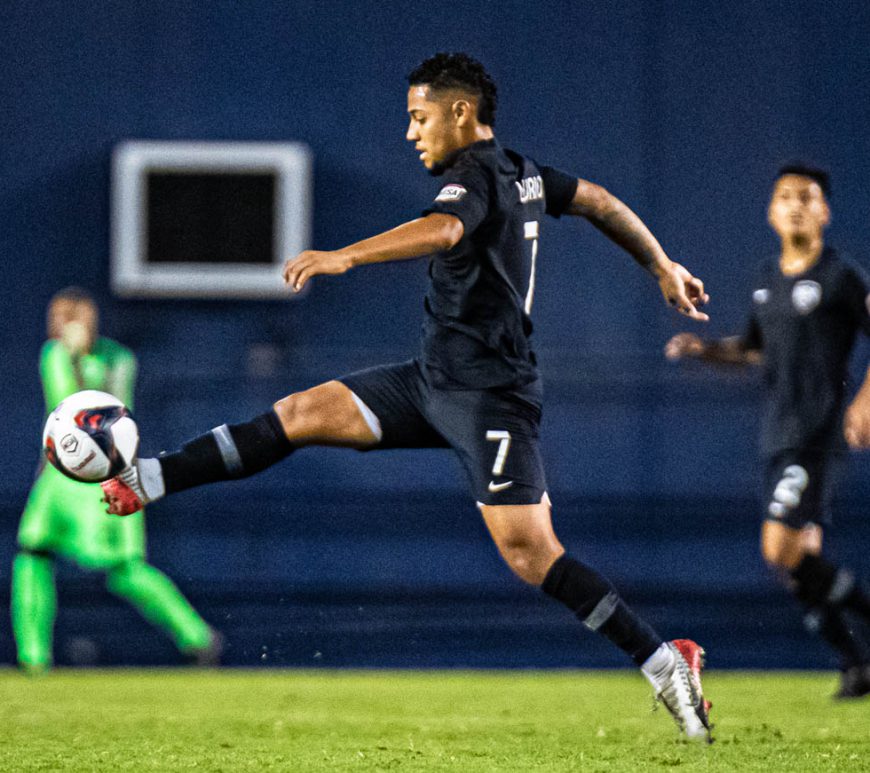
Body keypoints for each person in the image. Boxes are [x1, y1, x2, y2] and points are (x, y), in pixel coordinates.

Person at [103, 53, 712, 739]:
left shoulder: (476, 175)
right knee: (299, 413)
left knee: (530, 553)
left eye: (418, 117)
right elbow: (598, 201)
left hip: (491, 397)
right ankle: (149, 477)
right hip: (429, 381)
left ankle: (666, 662)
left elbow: (444, 230)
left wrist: (346, 256)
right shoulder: (526, 172)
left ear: (460, 112)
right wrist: (660, 262)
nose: (410, 132)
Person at [665, 164, 870, 697]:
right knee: (800, 566)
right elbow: (755, 350)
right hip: (777, 435)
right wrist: (706, 350)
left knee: (778, 549)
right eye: (785, 197)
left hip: (816, 433)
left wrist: (863, 403)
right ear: (771, 212)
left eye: (808, 197)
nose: (796, 205)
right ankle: (857, 665)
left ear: (825, 211)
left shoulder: (840, 276)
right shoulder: (766, 280)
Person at [13, 287, 221, 673]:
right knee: (32, 554)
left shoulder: (118, 358)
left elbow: (106, 416)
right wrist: (70, 357)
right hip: (57, 481)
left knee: (124, 569)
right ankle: (34, 656)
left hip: (102, 475)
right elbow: (62, 413)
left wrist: (79, 361)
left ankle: (197, 637)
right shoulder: (54, 355)